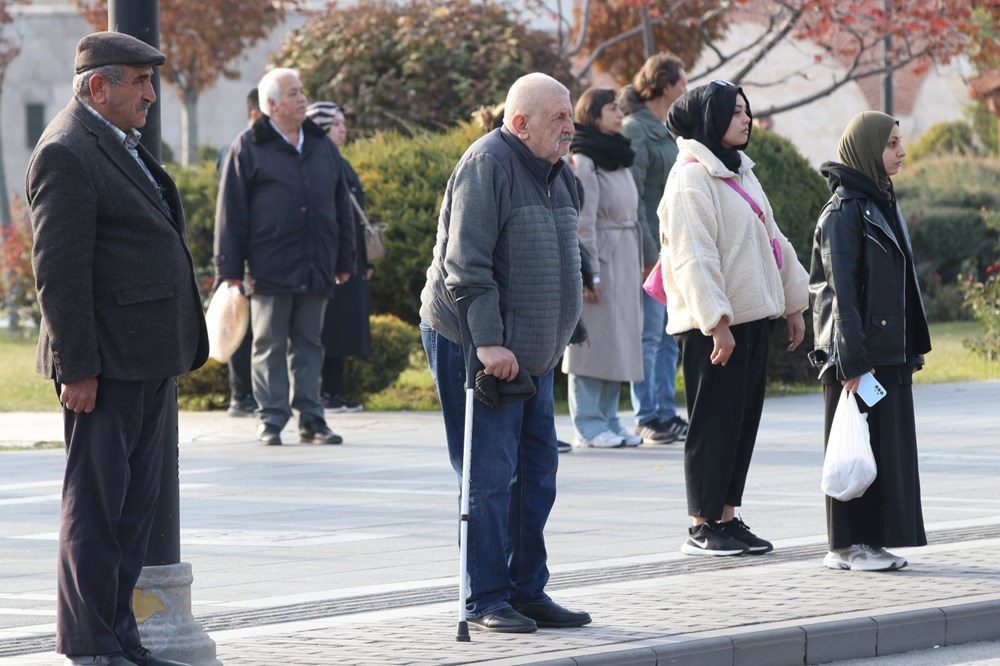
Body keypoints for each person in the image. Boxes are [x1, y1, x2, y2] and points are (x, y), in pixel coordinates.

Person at [27, 31, 208, 666]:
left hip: (146, 360)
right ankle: (88, 645)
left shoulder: (115, 144)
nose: (151, 94)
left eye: (150, 81)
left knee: (133, 514)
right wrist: (77, 367)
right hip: (104, 367)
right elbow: (59, 275)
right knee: (97, 513)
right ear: (97, 86)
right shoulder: (68, 152)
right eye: (138, 80)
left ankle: (120, 638)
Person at [419, 72, 591, 633]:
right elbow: (465, 266)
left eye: (569, 116)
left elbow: (566, 254)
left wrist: (569, 325)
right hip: (476, 340)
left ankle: (526, 590)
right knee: (489, 476)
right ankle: (485, 597)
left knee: (537, 473)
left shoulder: (557, 172)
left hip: (533, 352)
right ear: (519, 124)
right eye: (558, 119)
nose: (570, 127)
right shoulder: (487, 164)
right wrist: (488, 341)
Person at [658, 80, 809, 557]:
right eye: (736, 111)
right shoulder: (690, 178)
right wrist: (716, 321)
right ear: (711, 118)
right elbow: (692, 257)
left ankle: (727, 516)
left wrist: (794, 303)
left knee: (743, 421)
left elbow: (774, 240)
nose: (746, 119)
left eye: (747, 110)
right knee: (714, 422)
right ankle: (702, 524)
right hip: (714, 328)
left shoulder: (740, 171)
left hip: (752, 316)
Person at [808, 111, 932, 572]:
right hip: (858, 355)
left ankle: (868, 543)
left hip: (886, 354)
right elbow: (838, 292)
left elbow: (900, 285)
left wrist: (910, 349)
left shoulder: (880, 202)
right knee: (855, 448)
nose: (901, 152)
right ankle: (847, 545)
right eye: (892, 144)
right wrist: (854, 362)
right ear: (867, 149)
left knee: (881, 451)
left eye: (901, 143)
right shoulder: (844, 212)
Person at [215, 68, 356, 446]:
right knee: (269, 344)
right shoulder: (248, 146)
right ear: (272, 105)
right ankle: (272, 418)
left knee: (310, 343)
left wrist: (345, 259)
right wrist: (229, 267)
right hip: (269, 264)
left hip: (316, 262)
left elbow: (341, 205)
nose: (302, 98)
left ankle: (312, 419)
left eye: (302, 91)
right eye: (294, 93)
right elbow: (231, 210)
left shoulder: (321, 145)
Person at [563, 87, 643, 449]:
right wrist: (588, 270)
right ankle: (589, 424)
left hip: (625, 256)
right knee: (592, 344)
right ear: (592, 113)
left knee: (618, 342)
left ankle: (610, 419)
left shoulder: (619, 154)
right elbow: (584, 220)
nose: (618, 114)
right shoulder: (585, 158)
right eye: (611, 108)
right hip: (602, 257)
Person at [620, 53, 690, 445]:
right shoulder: (636, 129)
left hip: (673, 249)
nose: (685, 89)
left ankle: (665, 412)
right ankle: (646, 415)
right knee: (649, 335)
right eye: (682, 82)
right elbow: (632, 197)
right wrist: (647, 252)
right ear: (665, 85)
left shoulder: (666, 130)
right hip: (650, 250)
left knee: (667, 335)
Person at [305, 101, 371, 413]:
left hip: (348, 260)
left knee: (342, 331)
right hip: (329, 261)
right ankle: (321, 394)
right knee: (327, 330)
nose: (343, 130)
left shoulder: (339, 161)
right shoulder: (316, 162)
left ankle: (336, 392)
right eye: (336, 124)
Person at [218, 88, 261, 418]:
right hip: (244, 259)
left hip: (263, 260)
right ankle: (240, 394)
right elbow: (229, 211)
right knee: (239, 328)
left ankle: (253, 394)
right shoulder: (239, 149)